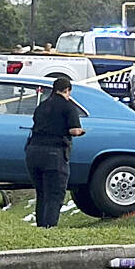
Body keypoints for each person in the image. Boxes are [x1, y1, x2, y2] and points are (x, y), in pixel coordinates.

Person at [25, 77, 85, 228]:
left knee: (42, 193)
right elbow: (74, 130)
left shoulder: (42, 106)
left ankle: (40, 227)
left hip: (33, 152)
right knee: (54, 194)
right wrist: (81, 131)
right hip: (54, 154)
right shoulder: (68, 107)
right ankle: (50, 228)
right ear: (67, 90)